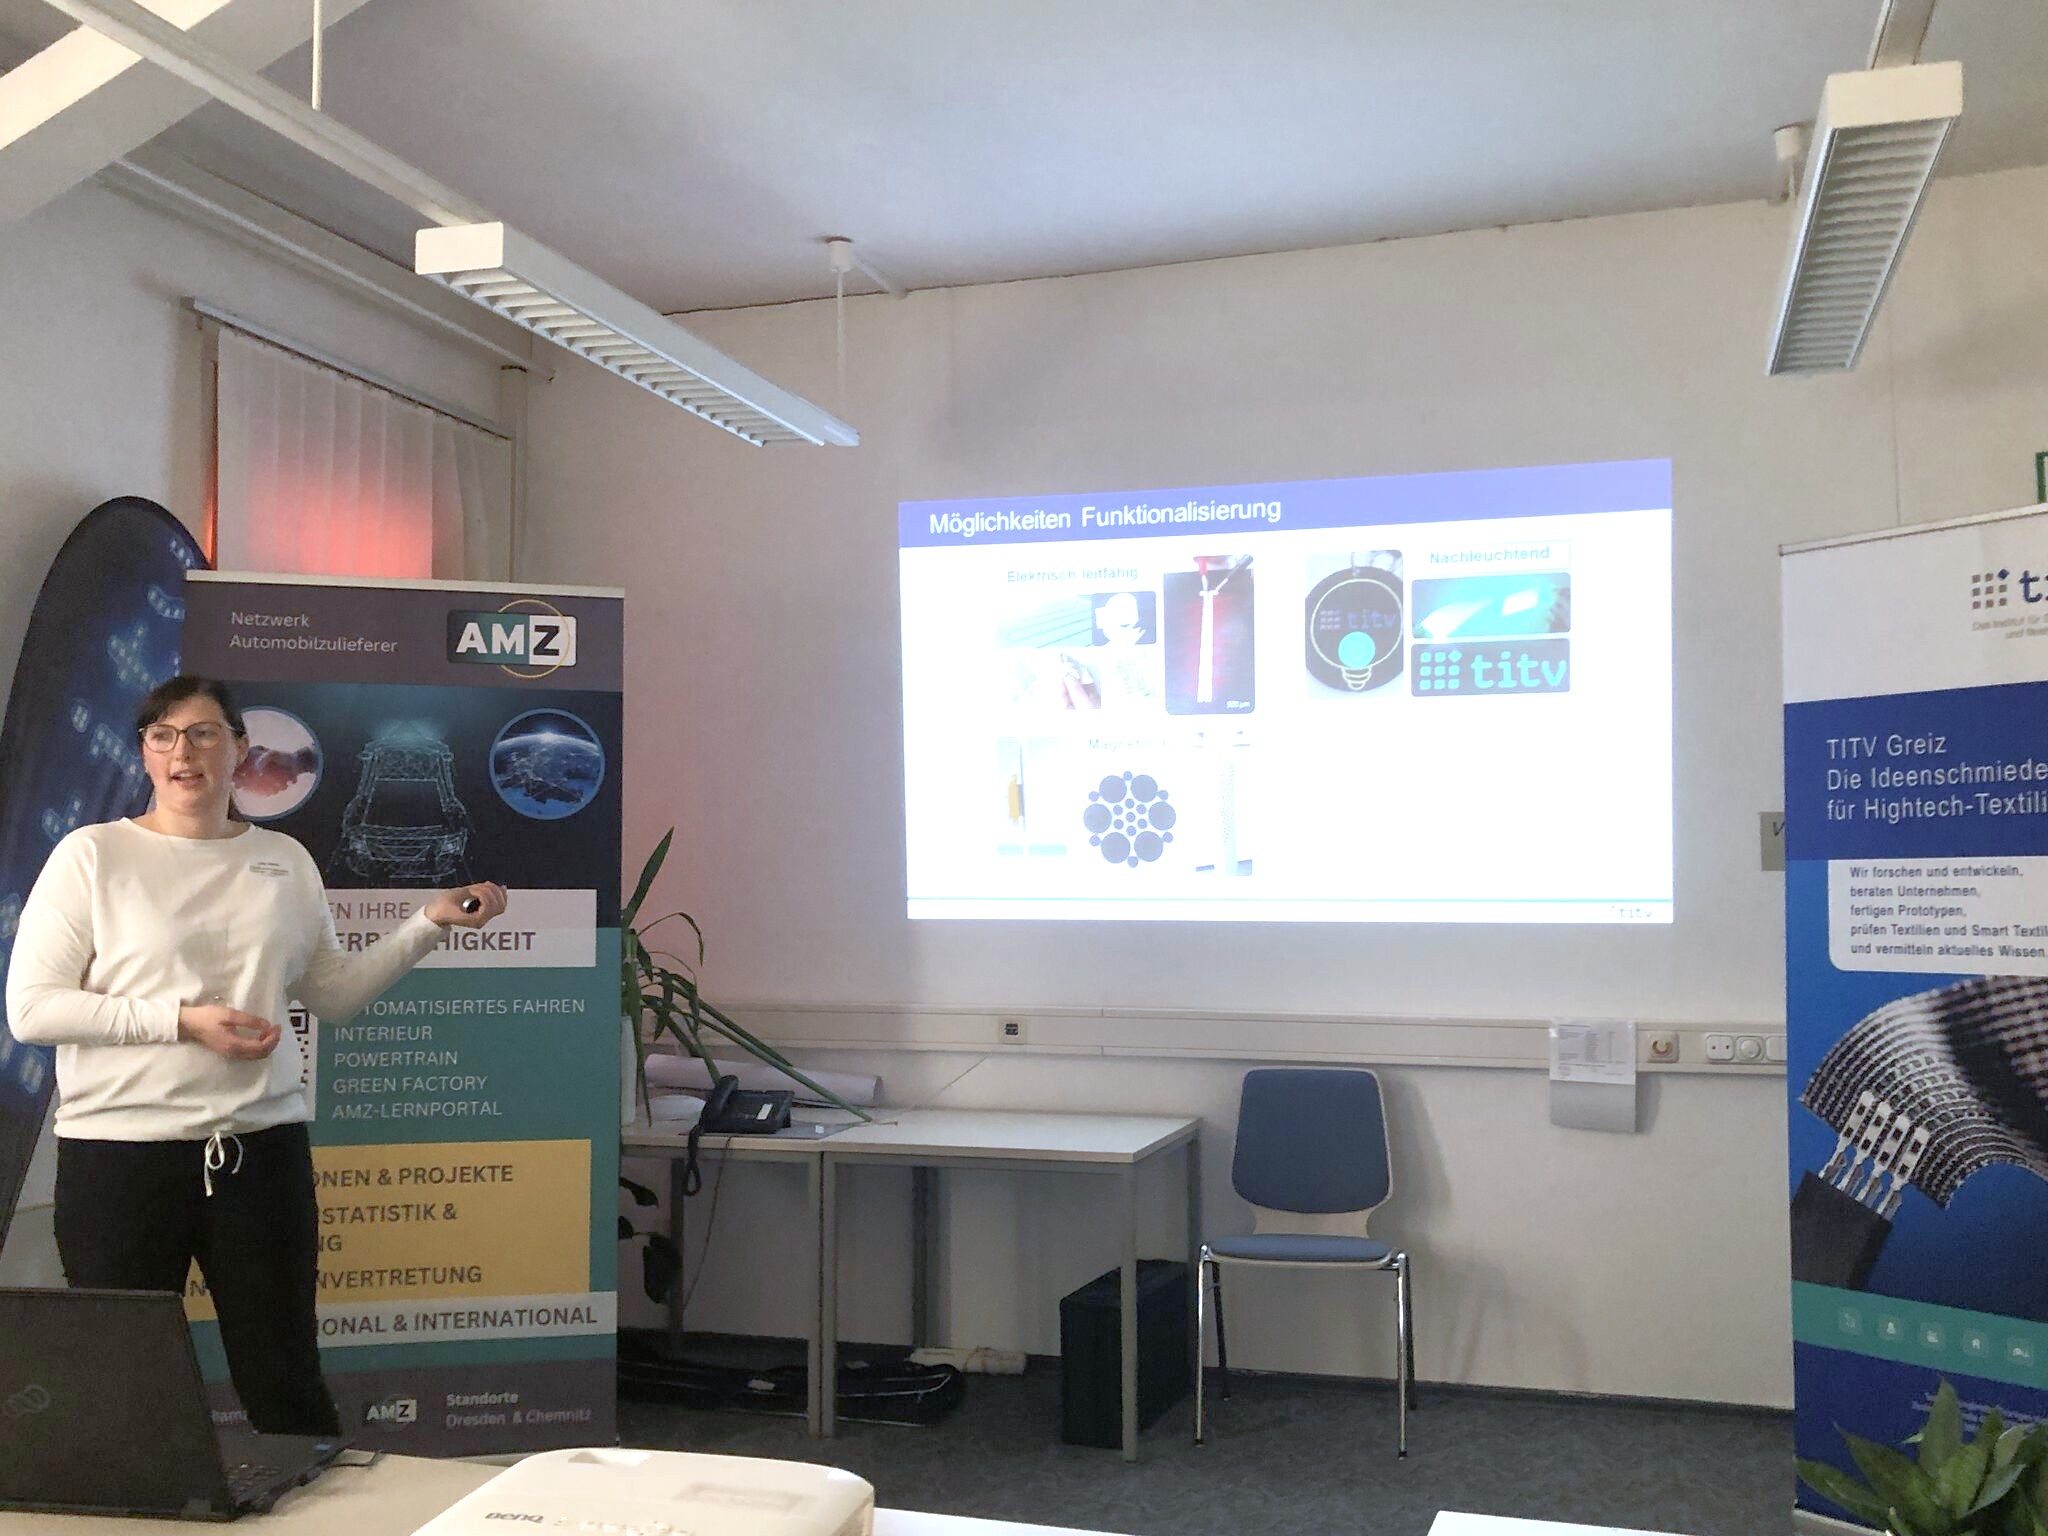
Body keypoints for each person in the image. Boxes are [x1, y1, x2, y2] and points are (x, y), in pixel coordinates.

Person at [4, 675, 508, 1435]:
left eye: (204, 733)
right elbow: (33, 1009)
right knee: (128, 1395)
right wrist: (183, 1022)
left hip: (261, 1155)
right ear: (144, 753)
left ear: (240, 749)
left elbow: (332, 995)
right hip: (120, 1160)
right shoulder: (93, 856)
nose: (184, 752)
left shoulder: (284, 860)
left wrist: (427, 925)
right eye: (164, 736)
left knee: (286, 1386)